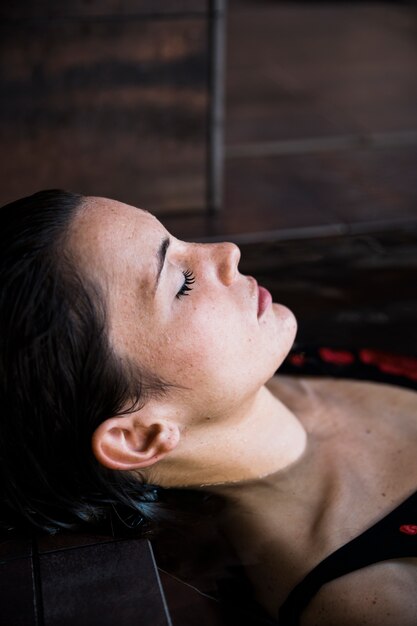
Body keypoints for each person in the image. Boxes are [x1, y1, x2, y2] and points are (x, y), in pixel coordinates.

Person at [0, 189, 416, 625]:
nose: (227, 252)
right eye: (182, 283)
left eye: (180, 239)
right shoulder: (375, 597)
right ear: (136, 436)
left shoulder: (282, 358)